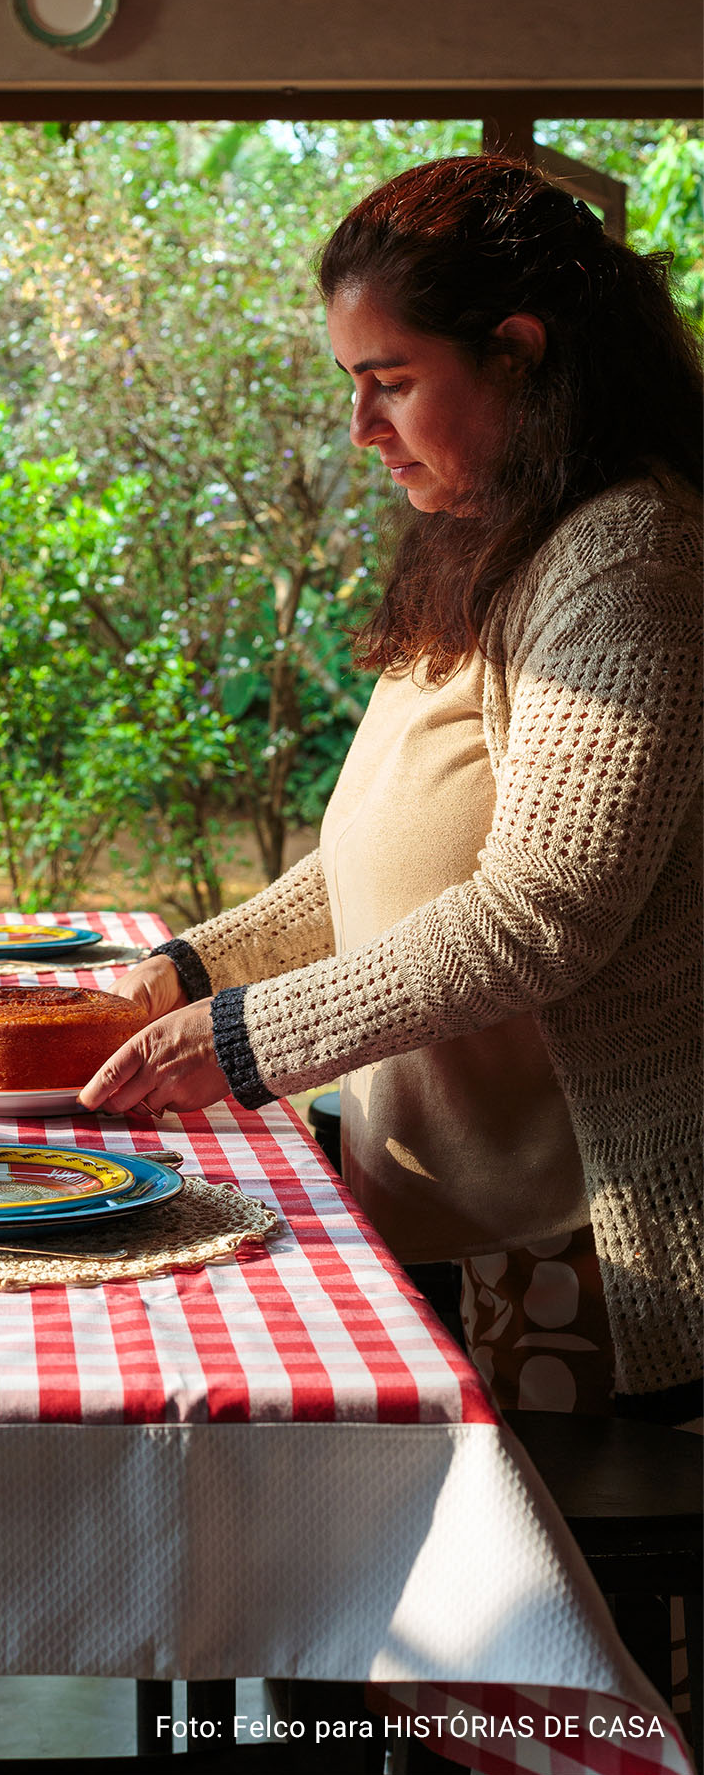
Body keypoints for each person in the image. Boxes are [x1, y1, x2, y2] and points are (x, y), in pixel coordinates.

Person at [81, 156, 703, 1421]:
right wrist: (189, 973)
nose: (360, 429)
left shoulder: (625, 560)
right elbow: (393, 845)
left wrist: (241, 1039)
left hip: (571, 1235)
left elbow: (540, 914)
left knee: (523, 1601)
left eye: (391, 382)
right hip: (451, 1202)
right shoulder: (503, 532)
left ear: (519, 353)